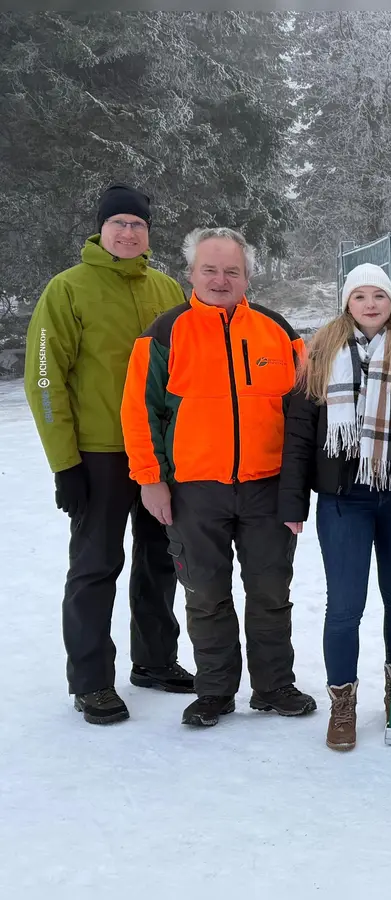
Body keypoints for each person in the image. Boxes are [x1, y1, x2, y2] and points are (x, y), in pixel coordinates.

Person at [121, 227, 316, 728]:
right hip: (193, 490)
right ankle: (214, 691)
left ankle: (273, 686)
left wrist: (300, 484)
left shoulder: (278, 331)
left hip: (267, 487)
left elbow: (304, 412)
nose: (221, 279)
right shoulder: (164, 333)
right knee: (205, 595)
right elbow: (141, 414)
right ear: (191, 273)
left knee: (271, 592)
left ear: (247, 276)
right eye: (210, 269)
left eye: (232, 270)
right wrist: (150, 479)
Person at [25, 183, 192, 724]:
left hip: (162, 454)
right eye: (118, 223)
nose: (128, 232)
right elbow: (45, 380)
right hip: (99, 454)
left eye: (138, 225)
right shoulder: (67, 289)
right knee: (97, 565)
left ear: (149, 233)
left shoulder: (166, 289)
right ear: (100, 229)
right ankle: (92, 680)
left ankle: (156, 661)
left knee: (160, 558)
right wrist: (64, 464)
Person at [280, 263, 391, 750]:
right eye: (361, 296)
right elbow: (297, 433)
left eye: (380, 294)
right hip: (343, 499)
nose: (371, 304)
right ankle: (343, 702)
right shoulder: (320, 353)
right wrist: (293, 501)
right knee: (345, 607)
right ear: (346, 302)